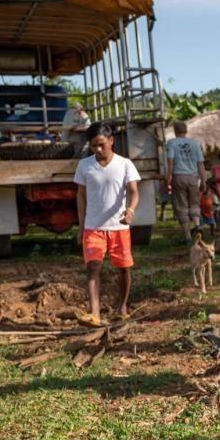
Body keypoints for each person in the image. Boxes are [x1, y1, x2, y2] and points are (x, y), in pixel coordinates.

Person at [74, 123, 141, 327]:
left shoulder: (125, 164)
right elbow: (81, 195)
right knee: (93, 267)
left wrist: (130, 211)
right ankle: (94, 313)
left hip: (119, 228)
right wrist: (81, 226)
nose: (98, 150)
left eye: (102, 144)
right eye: (94, 146)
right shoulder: (84, 166)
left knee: (124, 269)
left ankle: (122, 308)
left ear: (111, 141)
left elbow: (134, 192)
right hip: (93, 227)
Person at [164, 120, 207, 243]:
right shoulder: (195, 144)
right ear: (186, 130)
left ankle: (187, 236)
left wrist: (169, 177)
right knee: (194, 203)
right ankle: (198, 225)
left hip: (179, 176)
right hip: (193, 177)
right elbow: (200, 164)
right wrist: (203, 180)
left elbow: (170, 161)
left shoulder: (172, 143)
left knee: (181, 206)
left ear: (175, 131)